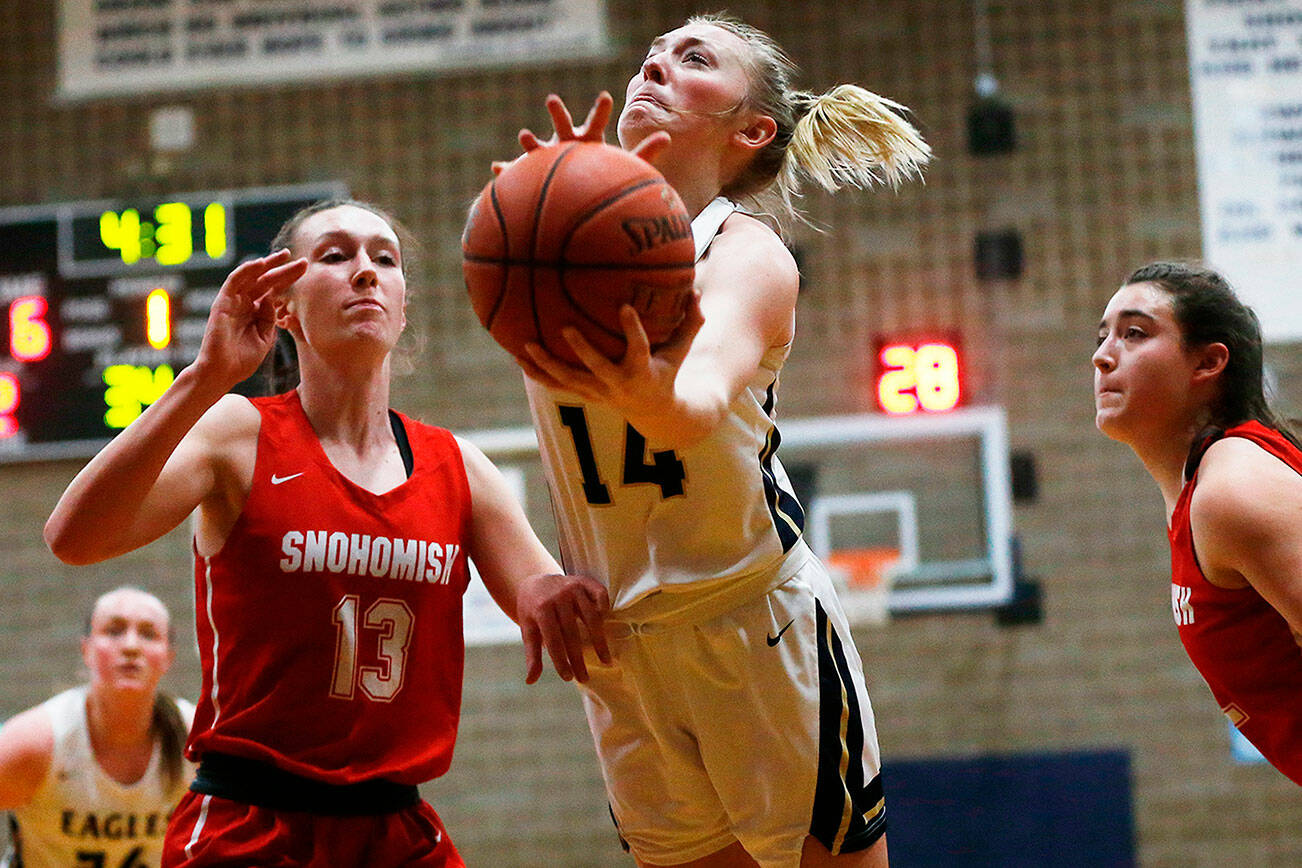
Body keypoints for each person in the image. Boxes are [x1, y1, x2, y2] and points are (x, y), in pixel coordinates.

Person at [43, 199, 612, 867]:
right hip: (250, 823)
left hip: (393, 825)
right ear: (282, 306)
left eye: (385, 259)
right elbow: (72, 537)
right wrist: (202, 379)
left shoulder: (459, 467)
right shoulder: (237, 433)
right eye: (337, 255)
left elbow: (551, 605)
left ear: (403, 306)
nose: (365, 272)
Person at [504, 13, 930, 867]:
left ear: (752, 129)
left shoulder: (747, 253)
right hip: (622, 639)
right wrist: (545, 230)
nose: (654, 67)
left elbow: (690, 406)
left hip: (751, 622)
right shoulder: (558, 241)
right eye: (652, 54)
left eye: (692, 59)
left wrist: (626, 367)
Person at [1093, 261, 1302, 784]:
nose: (1102, 355)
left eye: (1134, 333)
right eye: (1103, 336)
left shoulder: (1232, 489)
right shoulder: (1207, 488)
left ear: (1207, 363)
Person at [0, 586, 194, 868]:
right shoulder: (37, 741)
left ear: (168, 657)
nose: (131, 646)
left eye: (148, 634)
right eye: (114, 631)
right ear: (86, 649)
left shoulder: (198, 740)